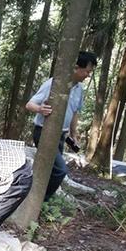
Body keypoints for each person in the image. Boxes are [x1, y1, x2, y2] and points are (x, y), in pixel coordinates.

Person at [26, 51, 97, 201]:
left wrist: (73, 134)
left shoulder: (79, 89)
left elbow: (75, 112)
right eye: (87, 71)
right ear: (77, 67)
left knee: (50, 170)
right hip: (44, 132)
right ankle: (39, 201)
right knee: (60, 170)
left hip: (61, 136)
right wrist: (40, 109)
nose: (88, 75)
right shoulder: (54, 84)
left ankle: (34, 198)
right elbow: (29, 104)